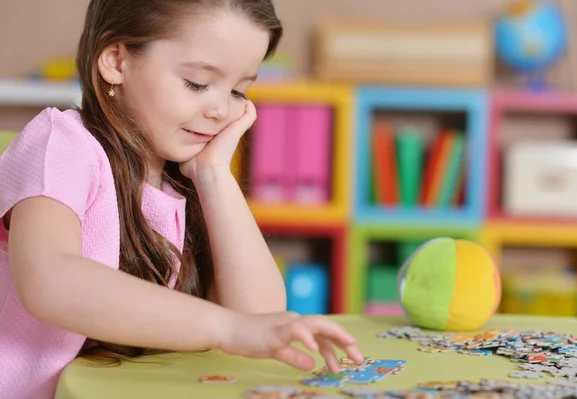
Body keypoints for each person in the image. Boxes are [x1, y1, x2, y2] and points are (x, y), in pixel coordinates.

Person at [0, 0, 363, 397]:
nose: (221, 109)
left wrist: (214, 176)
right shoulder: (62, 142)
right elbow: (50, 280)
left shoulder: (180, 183)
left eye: (239, 90)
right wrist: (226, 328)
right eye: (197, 83)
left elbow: (261, 320)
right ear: (116, 61)